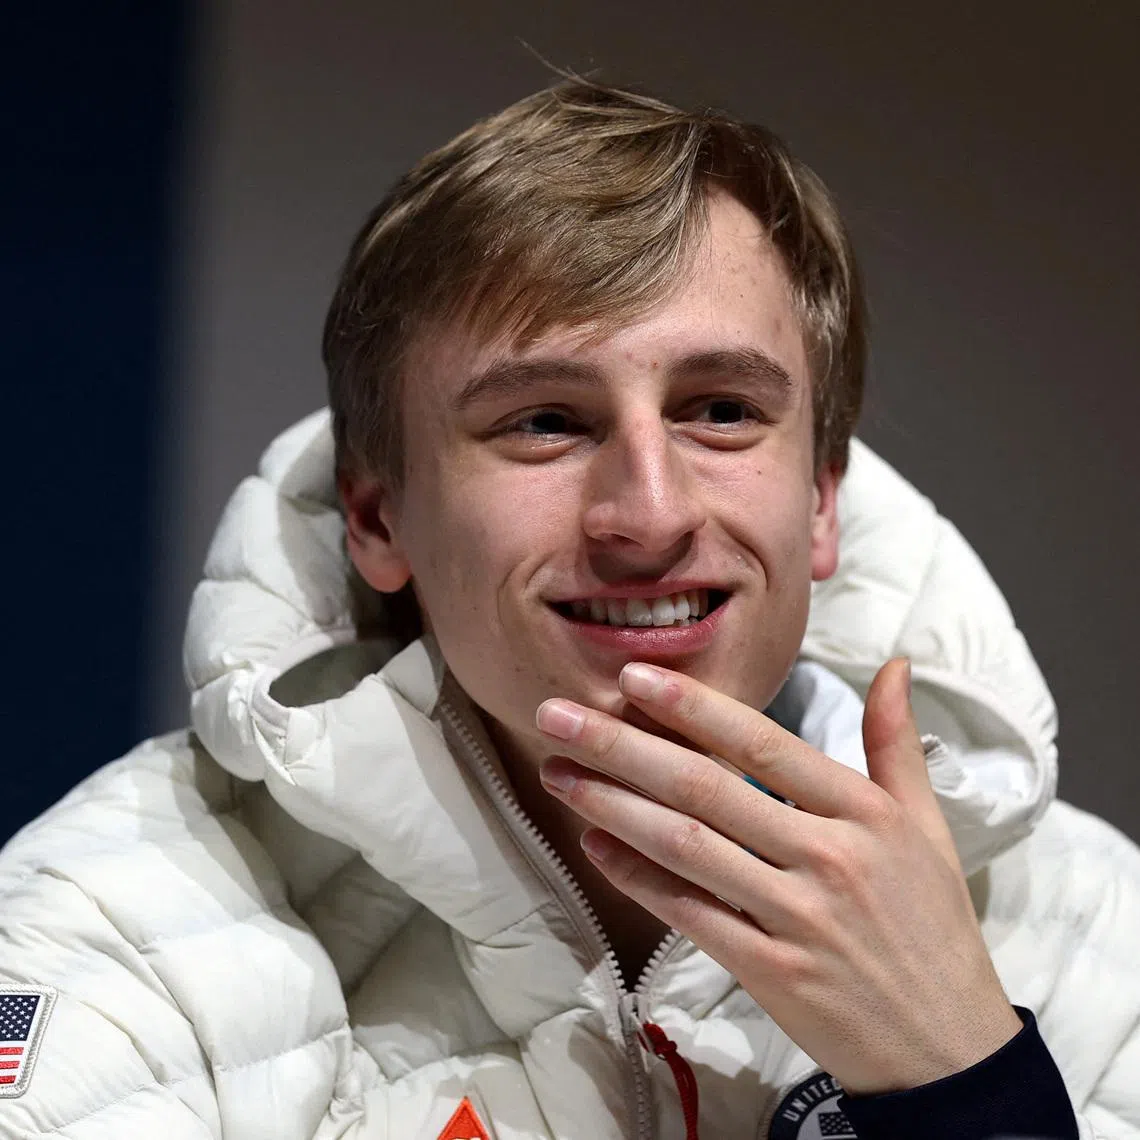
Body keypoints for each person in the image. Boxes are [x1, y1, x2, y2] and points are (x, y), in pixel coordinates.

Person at [1, 81, 1138, 1140]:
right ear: (377, 517)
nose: (646, 515)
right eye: (544, 421)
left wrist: (969, 1085)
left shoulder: (1102, 933)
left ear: (824, 500)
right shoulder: (109, 927)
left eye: (722, 410)